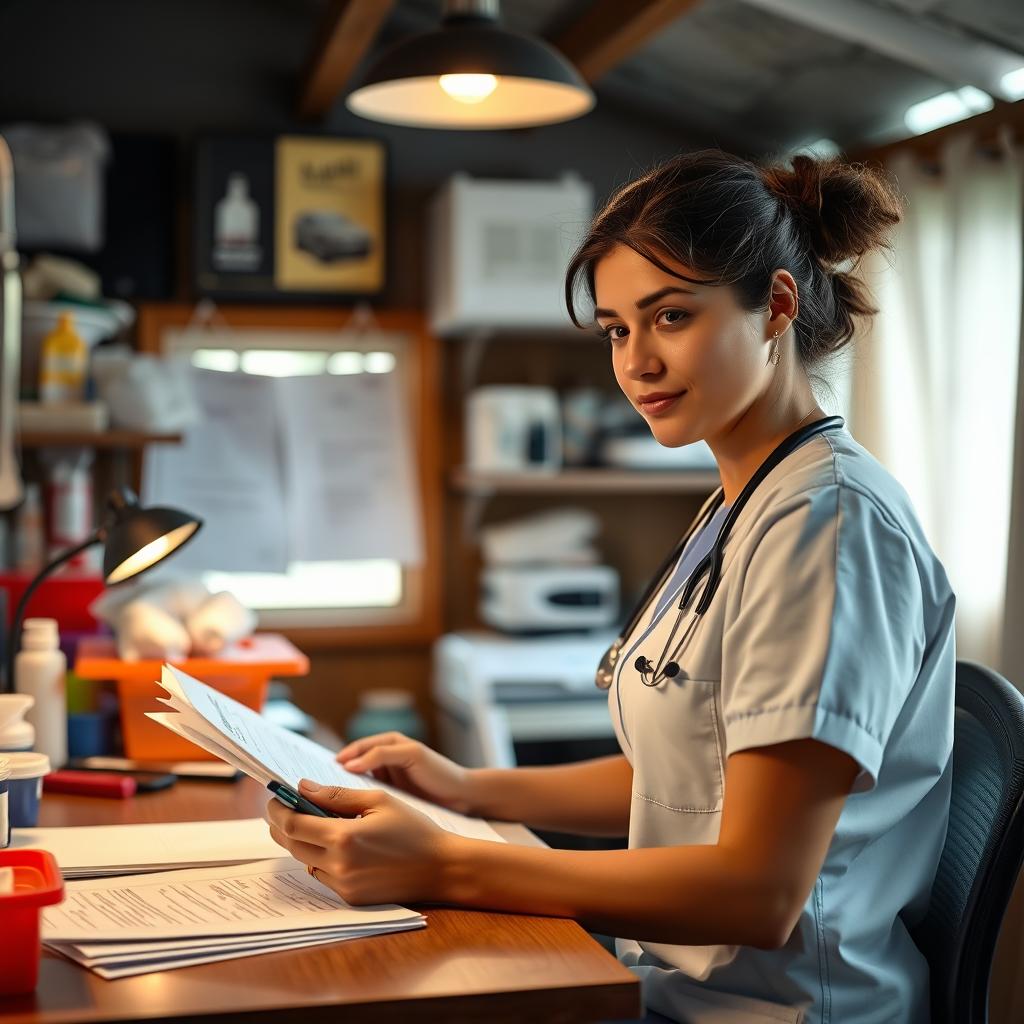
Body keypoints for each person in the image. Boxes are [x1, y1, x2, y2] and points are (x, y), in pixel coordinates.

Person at [266, 150, 955, 1024]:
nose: (637, 363)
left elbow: (757, 890)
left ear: (776, 306)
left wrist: (446, 863)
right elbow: (685, 776)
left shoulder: (830, 525)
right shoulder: (742, 503)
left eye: (671, 316)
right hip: (675, 990)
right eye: (617, 330)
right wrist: (468, 787)